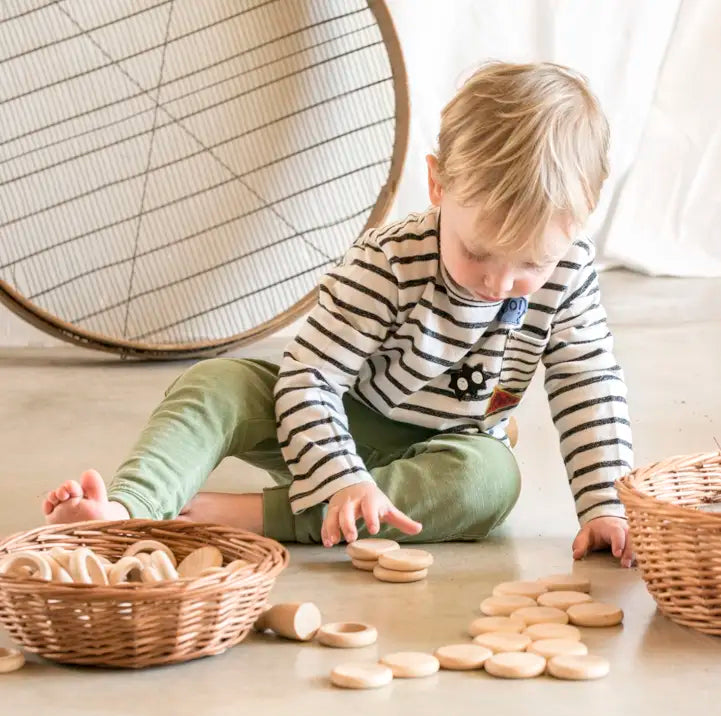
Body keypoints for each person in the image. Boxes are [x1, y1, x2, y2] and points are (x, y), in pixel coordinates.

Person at [42, 61, 634, 567]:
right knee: (216, 384)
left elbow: (589, 384)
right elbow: (309, 380)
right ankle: (127, 511)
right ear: (437, 184)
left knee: (491, 482)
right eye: (477, 252)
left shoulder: (570, 271)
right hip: (334, 414)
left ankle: (242, 515)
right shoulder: (389, 261)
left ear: (580, 224)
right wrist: (342, 476)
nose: (498, 284)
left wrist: (607, 504)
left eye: (529, 265)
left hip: (447, 445)